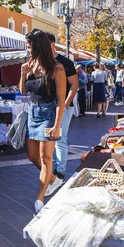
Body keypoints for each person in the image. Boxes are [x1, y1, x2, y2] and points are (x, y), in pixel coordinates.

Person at [19, 29, 66, 214]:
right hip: (32, 113)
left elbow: (61, 99)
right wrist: (23, 74)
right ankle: (53, 180)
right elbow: (23, 91)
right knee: (32, 156)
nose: (27, 50)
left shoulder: (57, 68)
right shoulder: (31, 64)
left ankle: (39, 199)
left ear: (38, 46)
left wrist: (57, 126)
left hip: (48, 114)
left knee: (46, 158)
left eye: (29, 46)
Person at [45, 32, 78, 193]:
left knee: (60, 138)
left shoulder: (65, 62)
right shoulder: (41, 62)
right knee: (48, 140)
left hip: (63, 105)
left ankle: (60, 172)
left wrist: (65, 103)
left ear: (52, 44)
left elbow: (74, 85)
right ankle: (52, 171)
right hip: (47, 106)